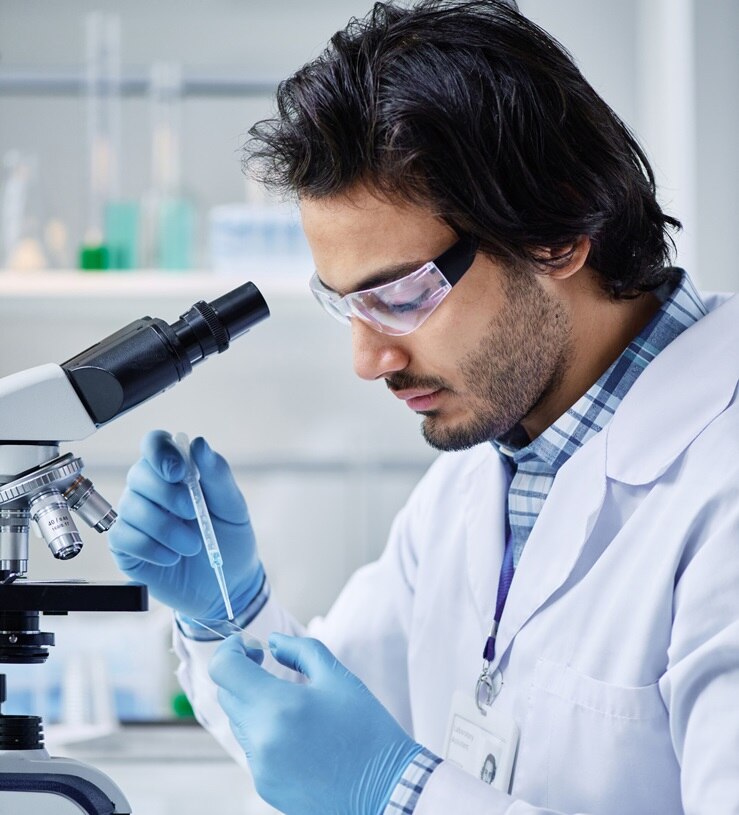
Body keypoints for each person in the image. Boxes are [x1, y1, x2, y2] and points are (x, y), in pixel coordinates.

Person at [107, 2, 739, 814]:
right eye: (347, 307)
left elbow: (371, 774)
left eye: (401, 295)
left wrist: (395, 793)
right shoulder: (491, 469)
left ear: (556, 232)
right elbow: (314, 740)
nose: (368, 361)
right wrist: (229, 613)